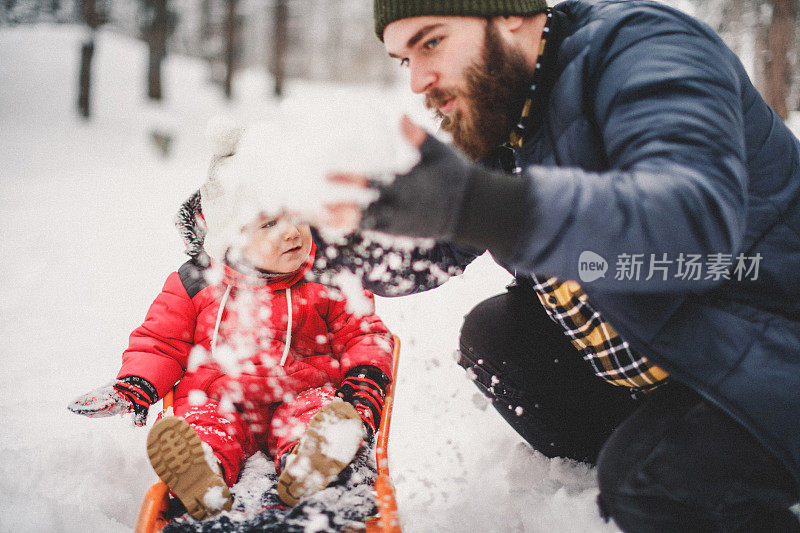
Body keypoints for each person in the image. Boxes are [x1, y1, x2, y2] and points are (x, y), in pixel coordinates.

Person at [319, 0, 800, 530]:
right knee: (496, 335)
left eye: (431, 42)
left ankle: (679, 475)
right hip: (677, 359)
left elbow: (691, 220)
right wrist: (325, 244)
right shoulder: (504, 106)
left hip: (770, 341)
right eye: (403, 60)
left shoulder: (646, 49)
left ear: (509, 14)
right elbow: (430, 251)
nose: (419, 80)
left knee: (649, 484)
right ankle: (667, 460)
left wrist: (480, 204)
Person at [68, 137, 395, 520]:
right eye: (269, 223)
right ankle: (202, 475)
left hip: (301, 397)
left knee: (318, 411)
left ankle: (311, 466)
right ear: (230, 237)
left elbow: (364, 333)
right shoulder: (195, 283)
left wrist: (364, 380)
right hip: (220, 401)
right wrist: (136, 385)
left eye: (297, 216)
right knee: (200, 422)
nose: (291, 232)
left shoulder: (330, 278)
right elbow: (160, 342)